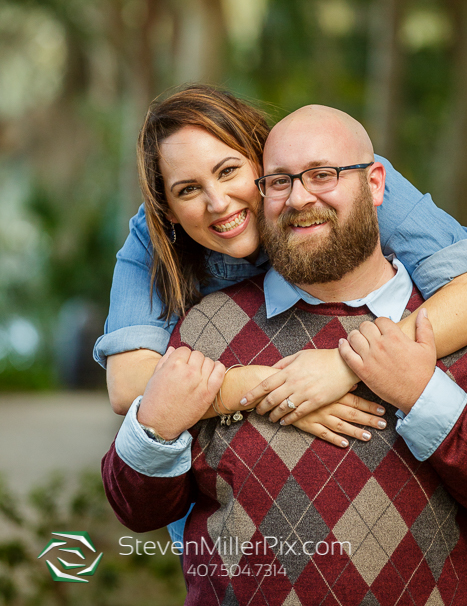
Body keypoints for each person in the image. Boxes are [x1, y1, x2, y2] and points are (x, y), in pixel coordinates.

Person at [102, 105, 467, 605]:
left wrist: (363, 372)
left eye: (321, 175)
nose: (217, 202)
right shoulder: (200, 328)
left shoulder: (439, 319)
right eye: (188, 189)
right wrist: (267, 389)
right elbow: (135, 470)